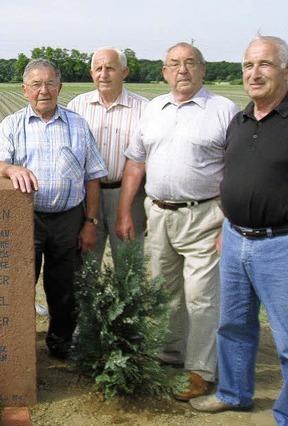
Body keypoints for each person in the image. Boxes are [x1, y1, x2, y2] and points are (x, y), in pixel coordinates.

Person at [116, 43, 239, 400]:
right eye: (174, 64)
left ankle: (200, 369)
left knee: (201, 297)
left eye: (189, 63)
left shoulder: (222, 110)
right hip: (158, 214)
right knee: (165, 292)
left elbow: (236, 169)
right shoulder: (154, 109)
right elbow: (136, 163)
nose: (182, 69)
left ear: (203, 69)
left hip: (205, 216)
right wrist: (126, 210)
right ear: (164, 72)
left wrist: (227, 221)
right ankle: (169, 353)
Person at [190, 35, 288, 423]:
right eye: (248, 65)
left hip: (279, 245)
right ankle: (233, 393)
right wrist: (226, 225)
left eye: (264, 64)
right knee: (232, 325)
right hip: (234, 239)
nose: (254, 73)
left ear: (285, 70)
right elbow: (232, 177)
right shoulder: (241, 120)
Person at [0, 59, 107, 359]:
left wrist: (90, 221)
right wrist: (11, 169)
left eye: (50, 84)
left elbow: (93, 176)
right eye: (36, 85)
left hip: (69, 219)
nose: (44, 90)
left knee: (64, 287)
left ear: (60, 87)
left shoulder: (78, 125)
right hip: (25, 219)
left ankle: (61, 342)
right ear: (25, 89)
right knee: (19, 283)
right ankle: (17, 345)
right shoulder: (13, 125)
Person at [67, 47, 148, 267]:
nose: (103, 74)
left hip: (128, 196)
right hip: (85, 198)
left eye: (110, 68)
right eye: (98, 68)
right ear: (91, 72)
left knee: (129, 268)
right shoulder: (77, 106)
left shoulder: (144, 109)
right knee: (86, 266)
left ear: (125, 72)